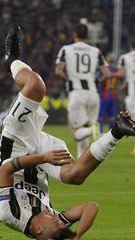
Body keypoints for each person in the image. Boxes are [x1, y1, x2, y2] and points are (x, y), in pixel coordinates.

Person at [0, 26, 135, 240]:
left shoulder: (9, 215)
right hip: (41, 157)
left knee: (36, 86)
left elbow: (6, 169)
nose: (57, 218)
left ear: (37, 230)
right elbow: (90, 207)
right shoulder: (52, 219)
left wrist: (43, 157)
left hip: (14, 145)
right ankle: (117, 131)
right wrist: (76, 236)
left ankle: (12, 59)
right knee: (75, 176)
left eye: (54, 223)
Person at [55, 23, 110, 158]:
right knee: (84, 128)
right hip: (93, 93)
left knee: (76, 133)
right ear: (88, 36)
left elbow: (58, 70)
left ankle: (93, 129)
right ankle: (81, 160)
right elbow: (107, 74)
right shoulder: (95, 51)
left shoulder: (66, 49)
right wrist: (98, 81)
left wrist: (67, 77)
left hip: (77, 93)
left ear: (74, 34)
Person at [98, 53, 120, 133]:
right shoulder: (116, 69)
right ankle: (110, 134)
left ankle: (100, 133)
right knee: (111, 117)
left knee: (100, 116)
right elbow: (121, 76)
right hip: (113, 95)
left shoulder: (103, 69)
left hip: (104, 95)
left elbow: (99, 81)